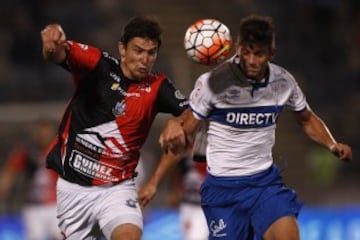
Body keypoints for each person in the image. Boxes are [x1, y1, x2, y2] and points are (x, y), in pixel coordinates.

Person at [159, 14, 352, 240]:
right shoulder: (214, 83)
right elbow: (187, 129)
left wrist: (331, 144)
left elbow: (307, 119)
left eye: (259, 54)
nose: (251, 60)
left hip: (264, 184)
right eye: (246, 52)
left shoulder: (283, 82)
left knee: (288, 235)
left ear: (271, 54)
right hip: (224, 190)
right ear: (238, 48)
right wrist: (174, 125)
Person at [41, 15, 188, 240]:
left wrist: (176, 121)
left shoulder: (158, 87)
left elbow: (193, 116)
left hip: (117, 189)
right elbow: (57, 53)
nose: (145, 60)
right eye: (138, 51)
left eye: (151, 53)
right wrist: (52, 38)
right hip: (73, 191)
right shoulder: (97, 64)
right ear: (122, 48)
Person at [0, 119, 62, 240]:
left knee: (59, 235)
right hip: (32, 205)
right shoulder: (27, 152)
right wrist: (4, 184)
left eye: (46, 133)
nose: (43, 136)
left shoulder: (58, 151)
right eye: (41, 133)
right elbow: (11, 168)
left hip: (55, 204)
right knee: (35, 236)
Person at [178, 122, 209, 240]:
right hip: (187, 202)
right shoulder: (185, 149)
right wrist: (175, 190)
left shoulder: (211, 147)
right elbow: (179, 170)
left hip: (204, 203)